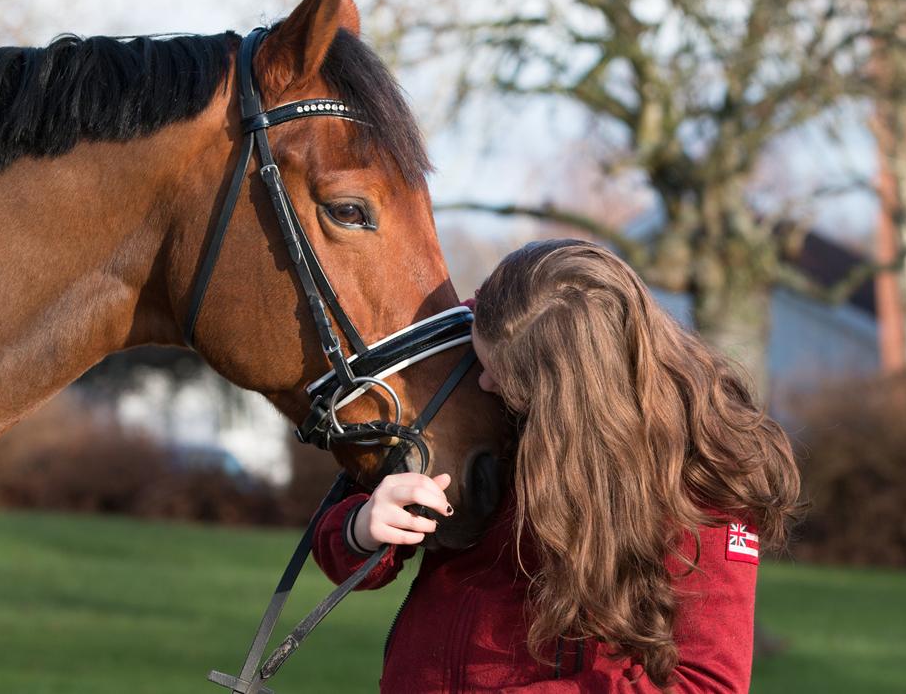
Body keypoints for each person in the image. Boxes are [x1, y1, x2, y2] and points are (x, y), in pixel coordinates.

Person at [312, 239, 802, 692]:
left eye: (504, 378)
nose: (482, 385)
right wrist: (362, 527)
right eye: (481, 361)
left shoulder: (701, 478)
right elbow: (344, 553)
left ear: (568, 396)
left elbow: (706, 684)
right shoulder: (491, 363)